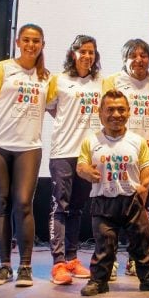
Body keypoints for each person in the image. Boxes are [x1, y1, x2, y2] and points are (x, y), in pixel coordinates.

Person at [0, 23, 50, 287]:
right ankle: (4, 266)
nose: (31, 45)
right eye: (26, 40)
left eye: (36, 41)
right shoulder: (1, 69)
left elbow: (59, 109)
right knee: (1, 204)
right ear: (18, 42)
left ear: (42, 45)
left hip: (29, 146)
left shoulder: (46, 77)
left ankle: (25, 266)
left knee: (24, 203)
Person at [76, 89, 149, 296]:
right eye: (110, 109)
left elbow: (147, 166)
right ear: (100, 112)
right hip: (103, 201)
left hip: (132, 201)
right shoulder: (90, 141)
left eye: (121, 109)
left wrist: (144, 186)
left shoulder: (137, 141)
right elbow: (80, 166)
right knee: (104, 246)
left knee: (143, 243)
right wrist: (86, 171)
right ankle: (99, 281)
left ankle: (147, 279)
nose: (116, 114)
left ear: (129, 112)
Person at [103, 38, 149, 277]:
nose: (139, 60)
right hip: (115, 152)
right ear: (125, 59)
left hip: (144, 155)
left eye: (144, 55)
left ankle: (134, 259)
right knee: (112, 208)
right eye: (133, 55)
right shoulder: (112, 81)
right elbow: (103, 111)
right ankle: (109, 262)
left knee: (138, 208)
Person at [46, 34, 102, 285]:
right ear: (73, 54)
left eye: (91, 52)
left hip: (87, 155)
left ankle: (72, 258)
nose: (87, 56)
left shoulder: (100, 82)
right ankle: (58, 263)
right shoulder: (58, 80)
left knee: (78, 209)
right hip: (62, 152)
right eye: (82, 51)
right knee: (61, 207)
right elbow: (49, 107)